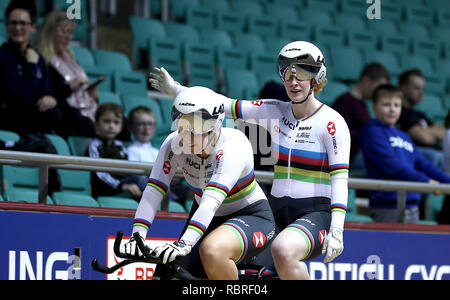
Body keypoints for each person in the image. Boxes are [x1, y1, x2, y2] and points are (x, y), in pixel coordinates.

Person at [149, 41, 351, 280]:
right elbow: (221, 105)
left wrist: (337, 228)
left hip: (316, 213)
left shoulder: (332, 123)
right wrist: (178, 90)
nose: (294, 81)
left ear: (318, 77)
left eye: (303, 73)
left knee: (283, 250)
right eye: (287, 73)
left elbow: (340, 180)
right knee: (225, 263)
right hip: (274, 212)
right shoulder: (274, 110)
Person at [120, 87, 276, 280]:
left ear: (216, 125)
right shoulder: (173, 144)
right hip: (205, 215)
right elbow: (153, 192)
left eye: (198, 129)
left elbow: (211, 201)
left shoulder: (234, 146)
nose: (187, 137)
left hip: (250, 215)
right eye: (182, 127)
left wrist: (184, 243)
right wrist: (137, 235)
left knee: (212, 251)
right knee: (166, 273)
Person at [360, 84, 450, 223]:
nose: (392, 110)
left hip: (412, 205)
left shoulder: (404, 136)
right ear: (374, 107)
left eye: (396, 105)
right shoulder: (372, 132)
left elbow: (422, 163)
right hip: (387, 207)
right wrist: (426, 181)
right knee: (389, 245)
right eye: (386, 105)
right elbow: (392, 166)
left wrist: (446, 181)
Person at [0, 0, 63, 135]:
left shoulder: (37, 57)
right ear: (6, 26)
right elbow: (22, 99)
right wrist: (31, 67)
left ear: (33, 27)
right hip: (12, 119)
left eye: (22, 23)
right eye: (13, 23)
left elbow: (47, 88)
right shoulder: (3, 57)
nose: (17, 28)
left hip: (35, 121)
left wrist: (50, 98)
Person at [33, 10, 97, 138]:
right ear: (49, 32)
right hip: (65, 112)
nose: (68, 38)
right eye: (64, 32)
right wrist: (69, 87)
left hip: (85, 108)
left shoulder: (69, 58)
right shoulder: (39, 60)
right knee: (83, 123)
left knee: (120, 121)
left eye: (70, 33)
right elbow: (49, 93)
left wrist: (92, 94)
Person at [332, 62, 390, 170]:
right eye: (378, 87)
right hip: (351, 156)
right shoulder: (345, 101)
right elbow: (339, 134)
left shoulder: (362, 104)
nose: (379, 93)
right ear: (366, 80)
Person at [88, 103, 147, 199]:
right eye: (106, 121)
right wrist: (121, 186)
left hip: (123, 182)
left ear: (121, 127)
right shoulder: (94, 146)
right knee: (140, 180)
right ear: (96, 125)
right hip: (107, 188)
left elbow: (128, 168)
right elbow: (99, 174)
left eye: (116, 122)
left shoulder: (120, 146)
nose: (111, 126)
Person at [398, 69, 446, 168]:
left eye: (422, 89)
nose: (421, 92)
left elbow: (445, 133)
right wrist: (431, 132)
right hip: (421, 158)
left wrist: (424, 130)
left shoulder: (420, 114)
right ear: (403, 88)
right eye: (416, 88)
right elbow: (425, 139)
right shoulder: (399, 113)